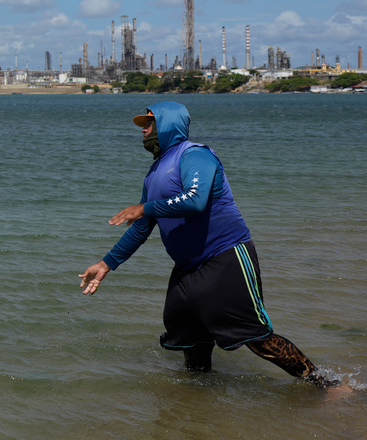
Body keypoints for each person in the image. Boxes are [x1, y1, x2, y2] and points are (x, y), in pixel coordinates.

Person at [78, 101, 338, 388]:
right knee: (192, 343)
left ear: (167, 125)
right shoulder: (154, 173)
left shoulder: (195, 155)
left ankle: (327, 384)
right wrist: (106, 263)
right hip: (187, 268)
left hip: (225, 256)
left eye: (148, 123)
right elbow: (142, 227)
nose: (143, 129)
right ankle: (198, 407)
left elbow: (195, 199)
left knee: (256, 338)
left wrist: (144, 208)